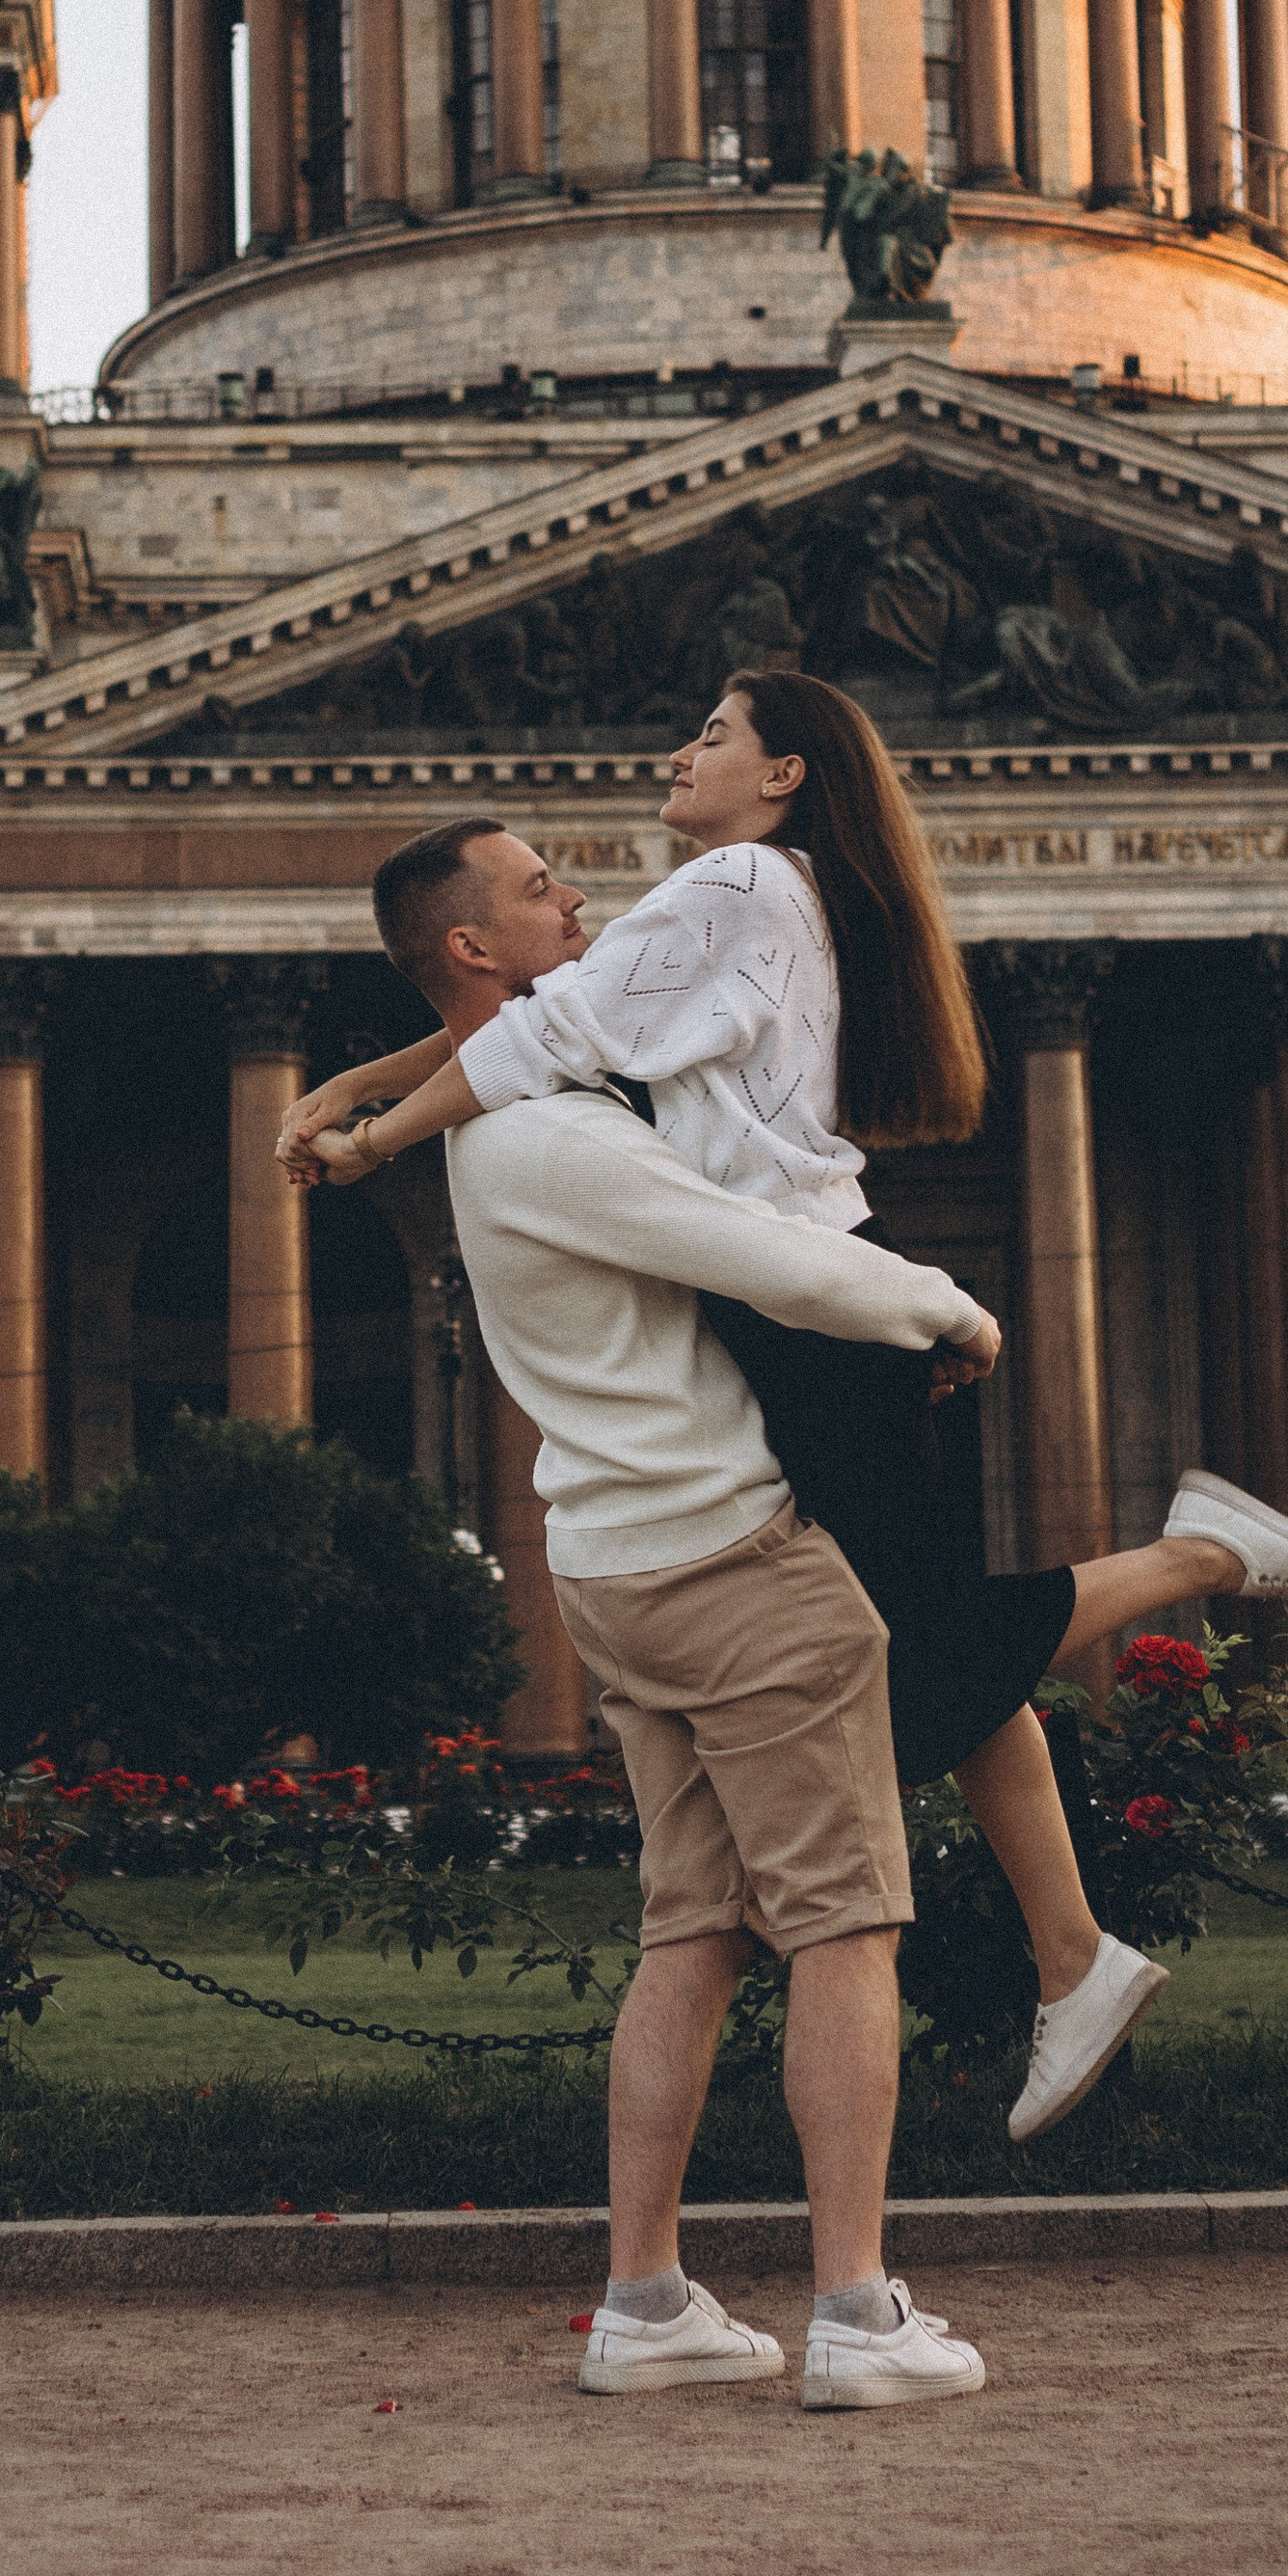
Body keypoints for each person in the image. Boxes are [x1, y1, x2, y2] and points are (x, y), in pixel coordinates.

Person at [282, 671, 1288, 2140]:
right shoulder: (737, 893)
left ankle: (1197, 1563)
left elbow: (534, 1034)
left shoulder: (733, 876)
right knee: (925, 1646)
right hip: (800, 1302)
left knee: (920, 1664)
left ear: (786, 772)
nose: (679, 750)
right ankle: (1077, 1954)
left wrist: (372, 1143)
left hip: (812, 1303)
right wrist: (353, 1082)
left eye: (714, 734)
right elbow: (552, 1016)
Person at [366, 813, 999, 2407]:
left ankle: (644, 2301)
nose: (579, 900)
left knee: (693, 1932)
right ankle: (857, 2313)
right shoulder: (552, 1142)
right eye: (537, 891)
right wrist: (949, 1309)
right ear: (473, 950)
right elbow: (769, 1258)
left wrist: (349, 1102)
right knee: (849, 1928)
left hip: (612, 1573)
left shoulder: (500, 1128)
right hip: (734, 1565)